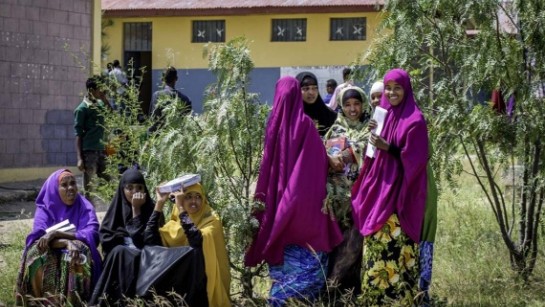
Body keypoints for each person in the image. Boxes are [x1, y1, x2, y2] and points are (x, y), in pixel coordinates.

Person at [245, 76, 343, 306]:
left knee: (282, 247)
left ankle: (280, 297)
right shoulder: (306, 125)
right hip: (303, 203)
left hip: (276, 199)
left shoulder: (272, 125)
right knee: (309, 257)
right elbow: (318, 164)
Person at [351, 68, 428, 305]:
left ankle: (400, 300)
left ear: (406, 90)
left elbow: (417, 160)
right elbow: (373, 156)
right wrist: (374, 134)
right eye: (388, 88)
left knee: (395, 247)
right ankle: (374, 300)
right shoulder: (384, 116)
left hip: (399, 197)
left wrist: (390, 148)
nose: (392, 93)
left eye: (397, 88)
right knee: (375, 248)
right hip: (379, 192)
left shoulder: (415, 120)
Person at [15, 169, 102, 306]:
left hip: (72, 250)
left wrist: (57, 234)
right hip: (54, 248)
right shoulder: (45, 208)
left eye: (73, 183)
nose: (71, 188)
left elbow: (92, 233)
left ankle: (75, 302)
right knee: (35, 251)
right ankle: (37, 301)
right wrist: (66, 242)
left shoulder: (84, 205)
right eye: (64, 185)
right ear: (55, 189)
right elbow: (38, 237)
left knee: (80, 251)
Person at [147, 182, 230, 307]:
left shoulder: (211, 219)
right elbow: (149, 240)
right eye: (188, 197)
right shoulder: (174, 225)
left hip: (202, 287)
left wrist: (181, 209)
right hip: (178, 288)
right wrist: (159, 204)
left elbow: (197, 241)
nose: (194, 201)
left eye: (198, 197)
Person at [323, 85, 371, 296]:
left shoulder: (371, 128)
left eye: (357, 104)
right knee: (338, 244)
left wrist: (344, 155)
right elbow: (326, 159)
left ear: (363, 105)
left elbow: (371, 153)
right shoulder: (335, 130)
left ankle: (349, 289)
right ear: (341, 106)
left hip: (362, 197)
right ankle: (335, 291)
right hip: (337, 198)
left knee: (356, 246)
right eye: (348, 105)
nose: (352, 109)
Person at [89, 168, 155, 305]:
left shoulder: (152, 210)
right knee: (120, 252)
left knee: (126, 253)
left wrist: (136, 210)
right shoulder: (116, 210)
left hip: (145, 260)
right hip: (119, 263)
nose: (135, 192)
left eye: (139, 188)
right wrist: (120, 238)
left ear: (144, 190)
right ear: (122, 189)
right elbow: (106, 238)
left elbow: (151, 242)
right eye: (129, 188)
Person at [74, 76, 112, 200]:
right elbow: (78, 134)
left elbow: (111, 114)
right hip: (89, 152)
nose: (102, 91)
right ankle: (88, 215)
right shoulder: (82, 109)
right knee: (89, 188)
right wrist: (80, 158)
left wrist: (104, 99)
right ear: (92, 90)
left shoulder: (100, 104)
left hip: (102, 150)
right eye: (100, 89)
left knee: (110, 183)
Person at [148, 66, 193, 133]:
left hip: (159, 136)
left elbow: (152, 118)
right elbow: (187, 122)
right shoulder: (185, 99)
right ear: (176, 79)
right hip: (178, 138)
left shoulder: (157, 96)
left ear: (162, 79)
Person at [295, 71, 338, 137]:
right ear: (297, 90)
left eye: (314, 88)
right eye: (306, 88)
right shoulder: (292, 116)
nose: (311, 92)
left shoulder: (330, 115)